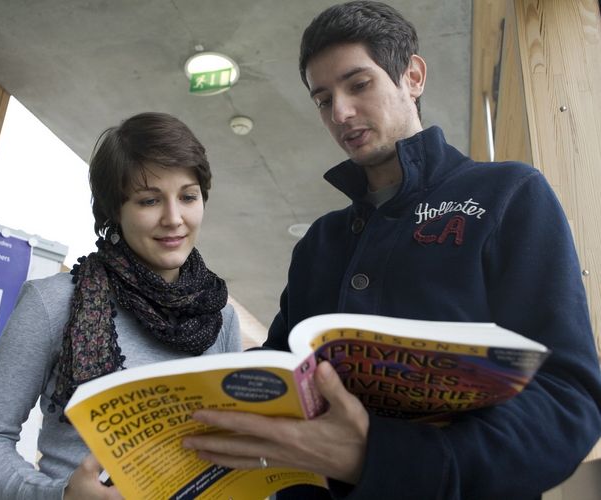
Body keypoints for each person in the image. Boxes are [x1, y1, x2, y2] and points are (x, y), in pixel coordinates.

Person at [181, 2, 601, 499]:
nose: (340, 112)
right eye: (322, 99)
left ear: (413, 76)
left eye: (359, 84)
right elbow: (285, 382)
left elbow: (568, 401)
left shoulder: (508, 195)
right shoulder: (320, 242)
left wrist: (381, 459)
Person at [0, 112, 241, 500]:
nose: (174, 219)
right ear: (114, 212)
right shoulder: (54, 301)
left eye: (188, 197)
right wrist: (61, 496)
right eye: (149, 200)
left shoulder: (219, 316)